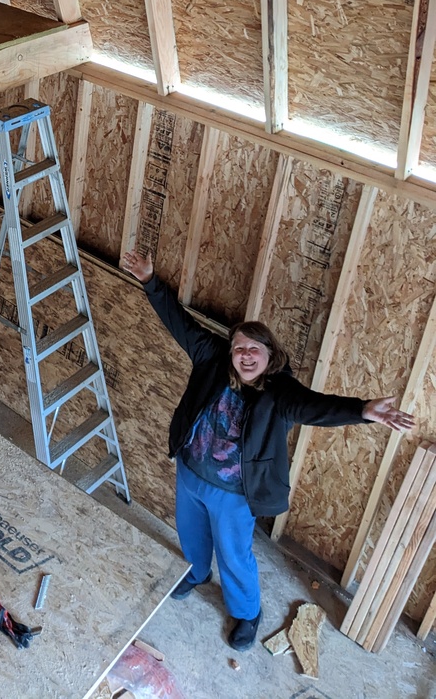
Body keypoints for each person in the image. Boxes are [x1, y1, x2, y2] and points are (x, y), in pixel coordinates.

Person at [121, 249, 416, 652]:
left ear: (269, 356)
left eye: (253, 351)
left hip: (234, 493)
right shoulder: (211, 358)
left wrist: (362, 410)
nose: (244, 355)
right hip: (191, 471)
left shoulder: (280, 392)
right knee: (190, 533)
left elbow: (315, 406)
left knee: (235, 555)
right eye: (239, 348)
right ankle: (194, 573)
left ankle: (246, 613)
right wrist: (150, 280)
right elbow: (179, 323)